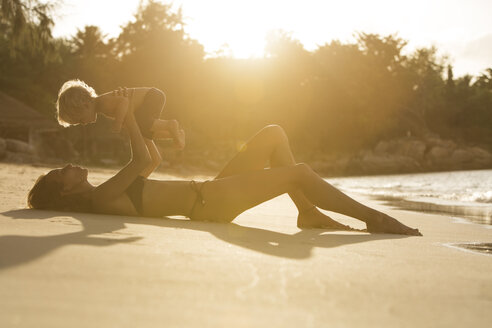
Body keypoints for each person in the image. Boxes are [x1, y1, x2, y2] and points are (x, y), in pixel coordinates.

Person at [27, 109, 422, 236]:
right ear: (64, 193)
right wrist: (130, 118)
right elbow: (137, 163)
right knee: (299, 171)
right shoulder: (98, 198)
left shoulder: (106, 193)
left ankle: (307, 212)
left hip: (208, 193)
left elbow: (151, 162)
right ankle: (374, 218)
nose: (70, 167)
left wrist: (148, 126)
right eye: (63, 172)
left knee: (273, 134)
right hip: (209, 204)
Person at [55, 79, 185, 149]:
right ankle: (174, 134)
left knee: (145, 122)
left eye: (81, 120)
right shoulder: (102, 107)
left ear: (85, 105)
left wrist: (117, 123)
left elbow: (124, 102)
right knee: (145, 131)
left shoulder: (103, 102)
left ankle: (170, 125)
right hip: (151, 98)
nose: (84, 124)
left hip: (151, 96)